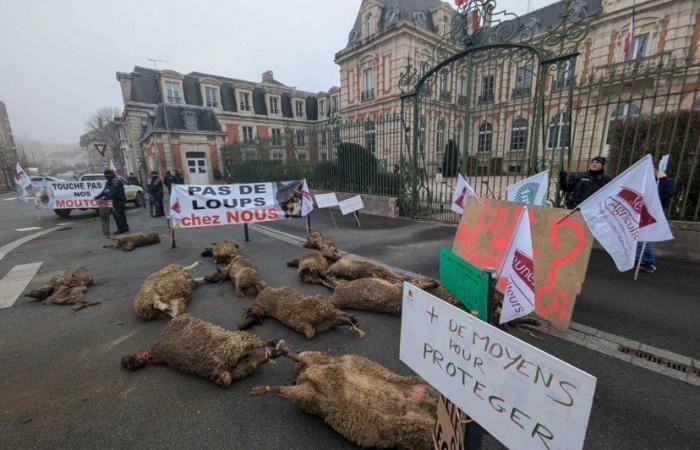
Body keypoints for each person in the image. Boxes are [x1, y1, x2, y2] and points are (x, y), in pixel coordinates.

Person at [636, 169, 677, 273]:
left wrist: (663, 179)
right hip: (643, 213)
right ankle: (638, 259)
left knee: (645, 239)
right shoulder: (646, 181)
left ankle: (649, 262)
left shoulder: (666, 181)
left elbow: (666, 193)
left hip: (654, 215)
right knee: (638, 237)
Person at [95, 169, 129, 235]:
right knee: (120, 214)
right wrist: (97, 197)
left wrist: (106, 198)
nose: (106, 177)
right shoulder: (108, 182)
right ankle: (125, 227)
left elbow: (113, 192)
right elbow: (104, 191)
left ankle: (121, 228)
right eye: (105, 175)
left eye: (107, 175)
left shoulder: (116, 182)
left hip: (119, 200)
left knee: (118, 215)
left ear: (111, 175)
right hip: (114, 201)